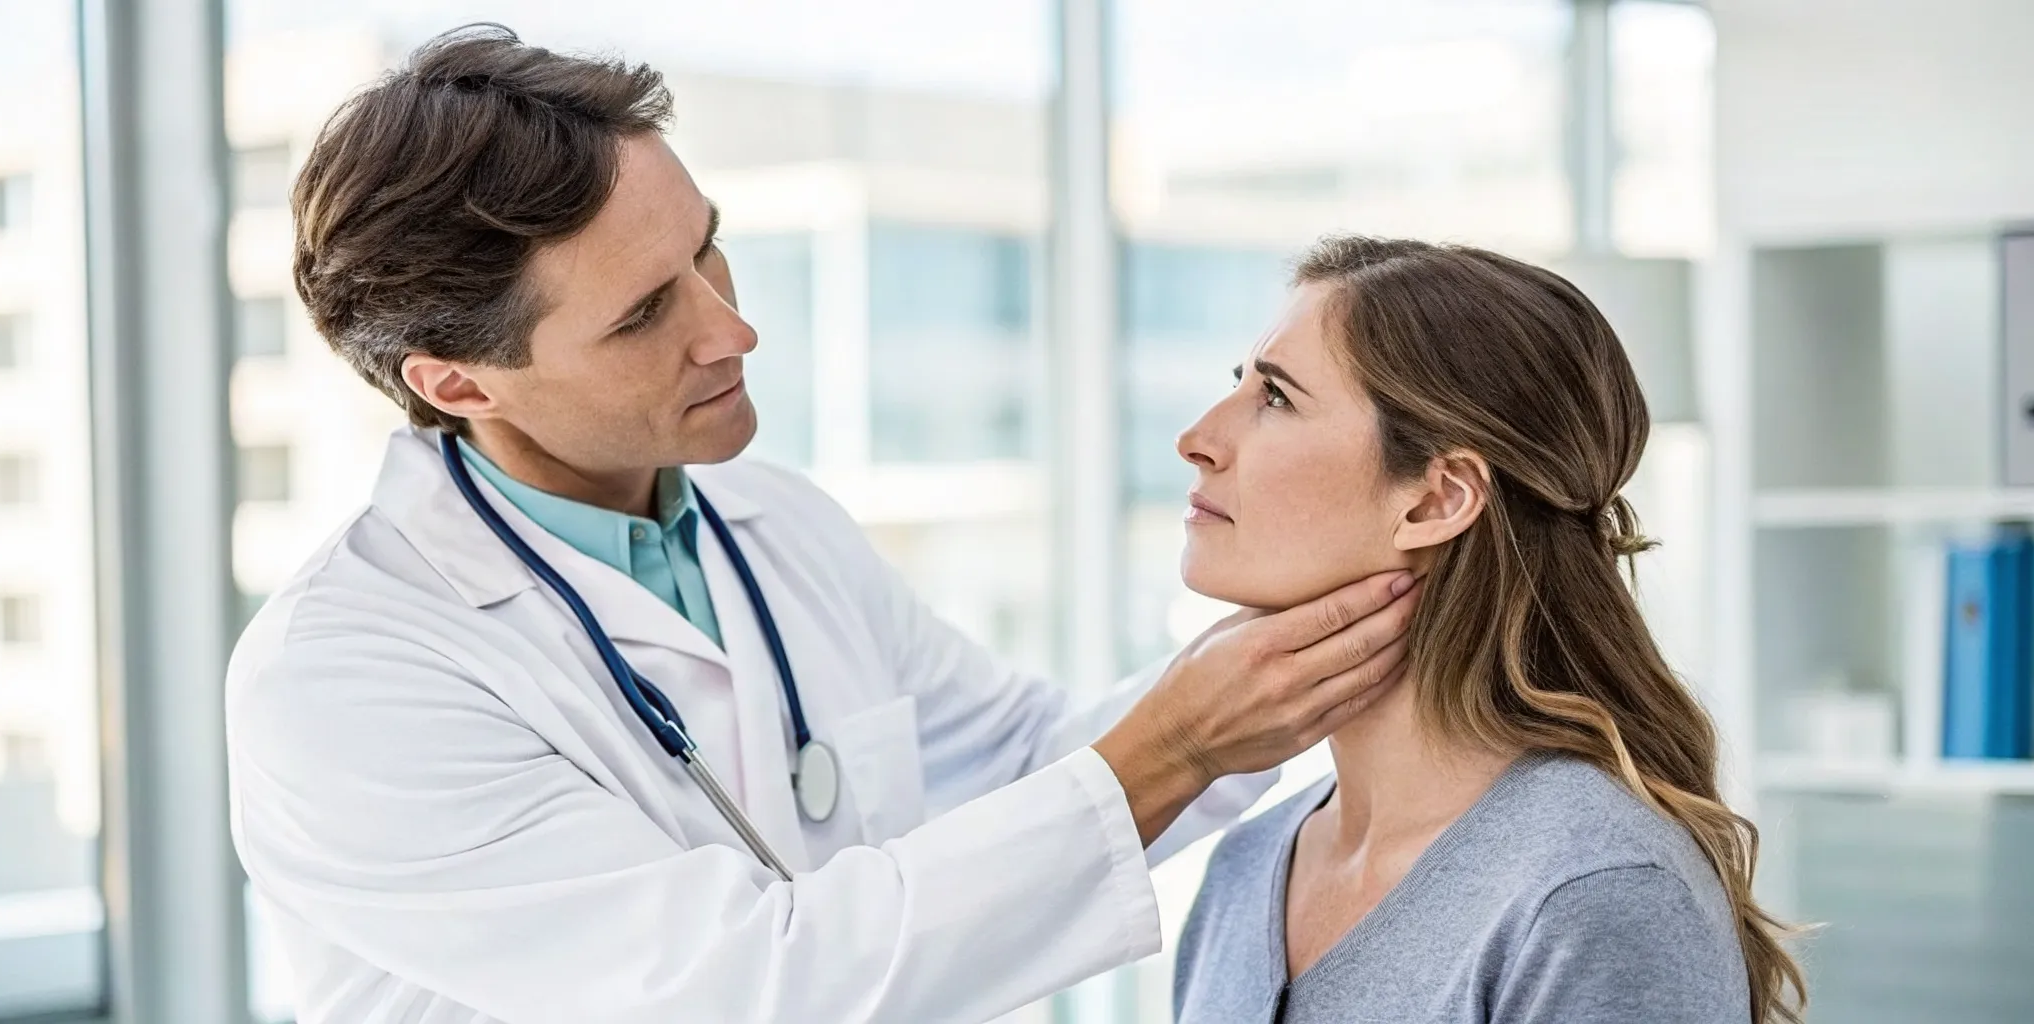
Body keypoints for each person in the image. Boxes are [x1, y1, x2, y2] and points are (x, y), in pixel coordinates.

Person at [223, 26, 1419, 1024]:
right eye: (642, 315)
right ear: (456, 382)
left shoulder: (771, 523)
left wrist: (1303, 644)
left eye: (707, 249)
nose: (730, 331)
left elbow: (1021, 766)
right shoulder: (348, 675)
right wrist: (1178, 745)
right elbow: (747, 983)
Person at [1168, 237, 1806, 1024]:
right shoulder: (1248, 866)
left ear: (1438, 499)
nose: (1196, 439)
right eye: (1240, 385)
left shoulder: (1594, 893)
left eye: (1276, 398)